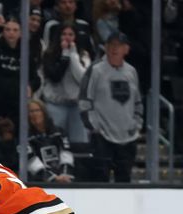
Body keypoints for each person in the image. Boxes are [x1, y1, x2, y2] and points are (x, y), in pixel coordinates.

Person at [78, 31, 142, 183]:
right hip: (102, 136)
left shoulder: (131, 71)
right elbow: (84, 100)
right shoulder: (95, 70)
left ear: (126, 49)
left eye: (119, 45)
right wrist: (94, 127)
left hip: (127, 137)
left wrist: (137, 124)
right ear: (106, 47)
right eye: (111, 44)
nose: (115, 48)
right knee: (100, 179)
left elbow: (138, 102)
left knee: (124, 179)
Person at [41, 22, 92, 144]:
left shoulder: (83, 55)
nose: (67, 37)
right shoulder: (49, 54)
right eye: (64, 34)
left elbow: (82, 79)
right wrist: (64, 55)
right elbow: (55, 77)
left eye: (70, 34)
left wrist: (73, 55)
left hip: (76, 106)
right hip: (56, 104)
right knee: (55, 141)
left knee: (80, 143)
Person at [27, 99, 75, 182]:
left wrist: (64, 175)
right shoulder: (25, 137)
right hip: (40, 182)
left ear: (44, 112)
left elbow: (67, 154)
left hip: (64, 178)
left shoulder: (59, 132)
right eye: (31, 111)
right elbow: (31, 161)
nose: (34, 114)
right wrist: (53, 178)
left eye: (37, 110)